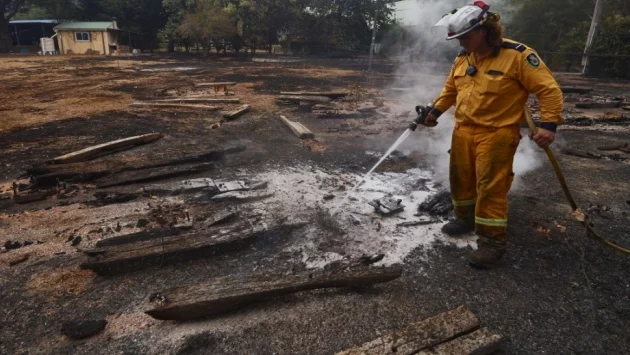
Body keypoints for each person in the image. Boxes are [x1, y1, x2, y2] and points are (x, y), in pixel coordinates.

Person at [422, 1, 563, 268]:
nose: (460, 42)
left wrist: (548, 125)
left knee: (490, 188)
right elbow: (450, 91)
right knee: (461, 180)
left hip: (497, 134)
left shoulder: (518, 56)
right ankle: (466, 219)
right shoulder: (463, 59)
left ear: (484, 31)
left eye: (464, 36)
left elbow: (549, 90)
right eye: (457, 37)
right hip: (463, 130)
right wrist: (434, 112)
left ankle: (492, 242)